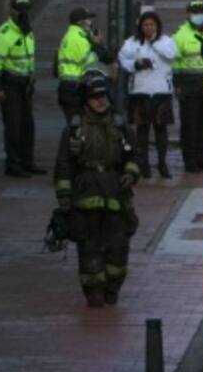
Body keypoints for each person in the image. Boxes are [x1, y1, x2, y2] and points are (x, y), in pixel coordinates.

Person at [54, 70, 140, 307]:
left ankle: (113, 289)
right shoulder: (74, 129)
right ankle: (94, 293)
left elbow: (135, 155)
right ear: (85, 99)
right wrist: (64, 196)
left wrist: (130, 173)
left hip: (115, 194)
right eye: (94, 97)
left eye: (103, 96)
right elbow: (63, 164)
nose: (101, 101)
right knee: (89, 249)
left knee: (118, 249)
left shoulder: (119, 124)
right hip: (86, 197)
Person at [117, 10, 177, 179]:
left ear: (157, 26)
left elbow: (171, 55)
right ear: (141, 26)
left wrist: (154, 42)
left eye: (152, 24)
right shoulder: (132, 42)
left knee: (161, 130)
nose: (149, 28)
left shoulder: (166, 41)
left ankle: (162, 163)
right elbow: (122, 58)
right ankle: (144, 165)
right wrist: (136, 65)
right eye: (145, 25)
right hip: (140, 91)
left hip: (161, 91)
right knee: (142, 130)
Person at [0, 0, 45, 176]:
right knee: (13, 126)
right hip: (10, 85)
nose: (24, 15)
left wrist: (32, 78)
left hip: (25, 85)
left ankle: (27, 161)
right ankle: (13, 165)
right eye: (21, 11)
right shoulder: (4, 34)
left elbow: (29, 58)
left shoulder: (27, 31)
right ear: (13, 12)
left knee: (27, 126)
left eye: (27, 11)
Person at [172, 0, 203, 173]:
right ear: (188, 14)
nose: (198, 15)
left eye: (200, 11)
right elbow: (174, 64)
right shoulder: (180, 35)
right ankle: (190, 161)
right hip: (188, 84)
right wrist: (177, 86)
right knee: (190, 125)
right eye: (194, 12)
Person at [56, 6, 112, 123]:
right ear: (81, 22)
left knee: (75, 125)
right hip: (75, 89)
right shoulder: (78, 39)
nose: (90, 23)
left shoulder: (71, 36)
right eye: (88, 19)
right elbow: (91, 62)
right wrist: (97, 45)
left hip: (68, 88)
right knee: (78, 126)